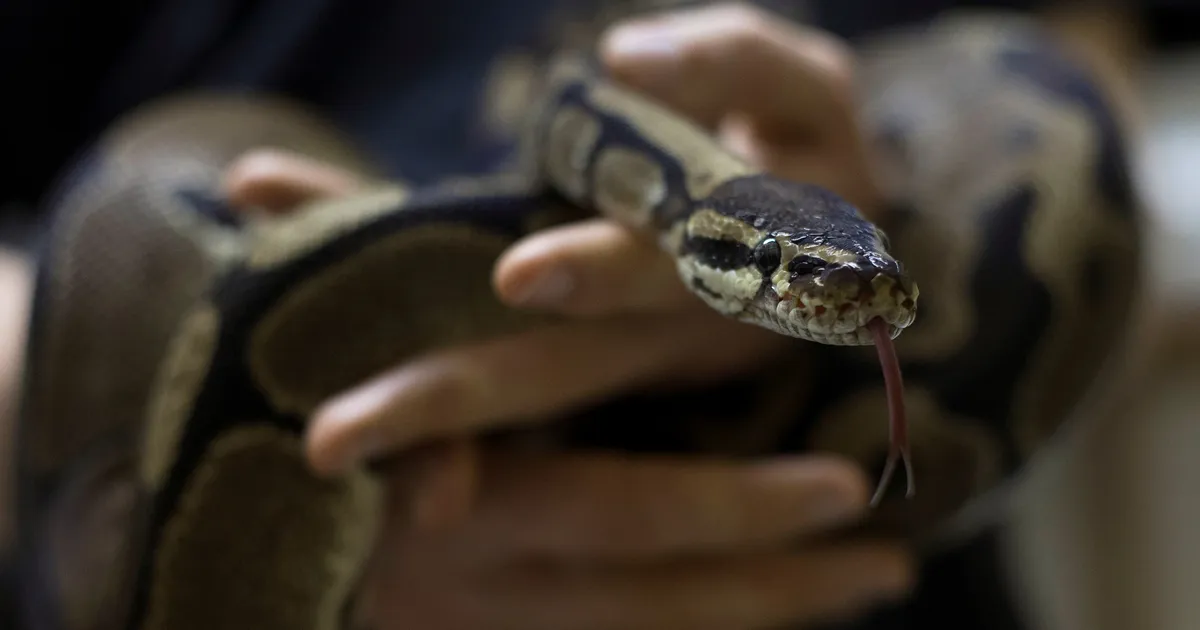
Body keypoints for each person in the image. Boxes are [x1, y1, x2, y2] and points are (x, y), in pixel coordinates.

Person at [0, 1, 1155, 628]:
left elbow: (1072, 79)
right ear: (704, 236)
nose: (854, 301)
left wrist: (913, 185)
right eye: (798, 278)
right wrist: (292, 505)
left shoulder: (744, 222)